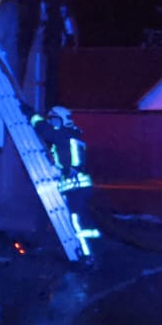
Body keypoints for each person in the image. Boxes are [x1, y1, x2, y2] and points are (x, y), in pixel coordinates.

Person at [31, 105, 99, 260]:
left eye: (55, 120)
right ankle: (92, 251)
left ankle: (87, 256)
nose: (52, 123)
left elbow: (46, 131)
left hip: (76, 187)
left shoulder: (64, 135)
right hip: (78, 186)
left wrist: (32, 116)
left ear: (63, 120)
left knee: (77, 220)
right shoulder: (72, 136)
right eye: (51, 120)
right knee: (82, 220)